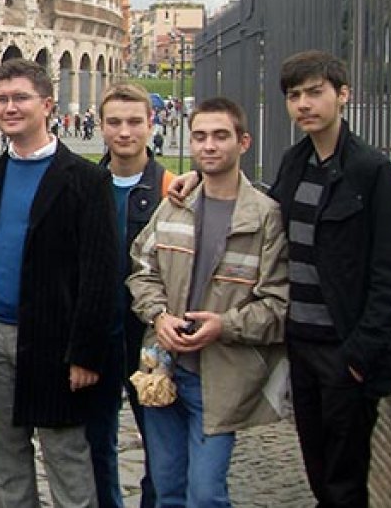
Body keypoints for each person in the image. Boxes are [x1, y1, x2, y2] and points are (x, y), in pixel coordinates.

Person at [170, 51, 391, 507]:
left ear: (343, 95)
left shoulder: (371, 172)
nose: (304, 104)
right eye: (294, 96)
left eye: (315, 92)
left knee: (344, 482)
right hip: (300, 346)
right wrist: (200, 176)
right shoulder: (294, 163)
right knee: (317, 470)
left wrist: (359, 355)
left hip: (344, 348)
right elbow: (262, 214)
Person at [0, 58, 117, 508]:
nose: (9, 107)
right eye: (1, 99)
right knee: (7, 458)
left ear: (47, 104)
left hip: (55, 339)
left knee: (66, 455)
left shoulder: (86, 180)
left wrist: (85, 353)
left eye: (20, 98)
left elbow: (100, 274)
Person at [127, 96, 289, 507]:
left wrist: (224, 325)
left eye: (220, 136)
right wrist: (158, 316)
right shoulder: (176, 204)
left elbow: (277, 304)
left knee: (205, 494)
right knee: (167, 490)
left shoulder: (265, 217)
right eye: (199, 136)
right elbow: (141, 270)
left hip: (219, 376)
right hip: (162, 368)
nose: (209, 145)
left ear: (243, 142)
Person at [88, 82, 174, 508]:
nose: (125, 132)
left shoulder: (172, 188)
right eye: (115, 122)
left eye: (135, 122)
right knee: (96, 439)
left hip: (151, 336)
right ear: (101, 126)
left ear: (151, 123)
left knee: (159, 441)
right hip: (98, 332)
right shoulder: (85, 185)